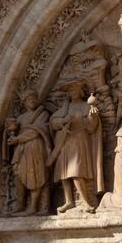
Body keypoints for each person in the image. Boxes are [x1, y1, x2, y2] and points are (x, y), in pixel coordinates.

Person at [47, 81, 103, 213]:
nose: (73, 93)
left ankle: (85, 202)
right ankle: (69, 201)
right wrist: (63, 121)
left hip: (79, 141)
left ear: (80, 92)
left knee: (76, 171)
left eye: (75, 90)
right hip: (65, 142)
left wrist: (93, 116)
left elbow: (91, 128)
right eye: (70, 91)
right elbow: (53, 122)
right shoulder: (65, 108)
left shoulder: (86, 106)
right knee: (64, 173)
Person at [5, 92, 51, 215]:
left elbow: (37, 131)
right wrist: (10, 133)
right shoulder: (20, 118)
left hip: (36, 147)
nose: (32, 101)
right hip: (21, 150)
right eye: (29, 99)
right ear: (24, 102)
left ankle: (33, 207)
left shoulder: (43, 114)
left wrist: (18, 138)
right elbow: (13, 132)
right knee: (19, 175)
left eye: (34, 98)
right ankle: (20, 204)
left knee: (35, 175)